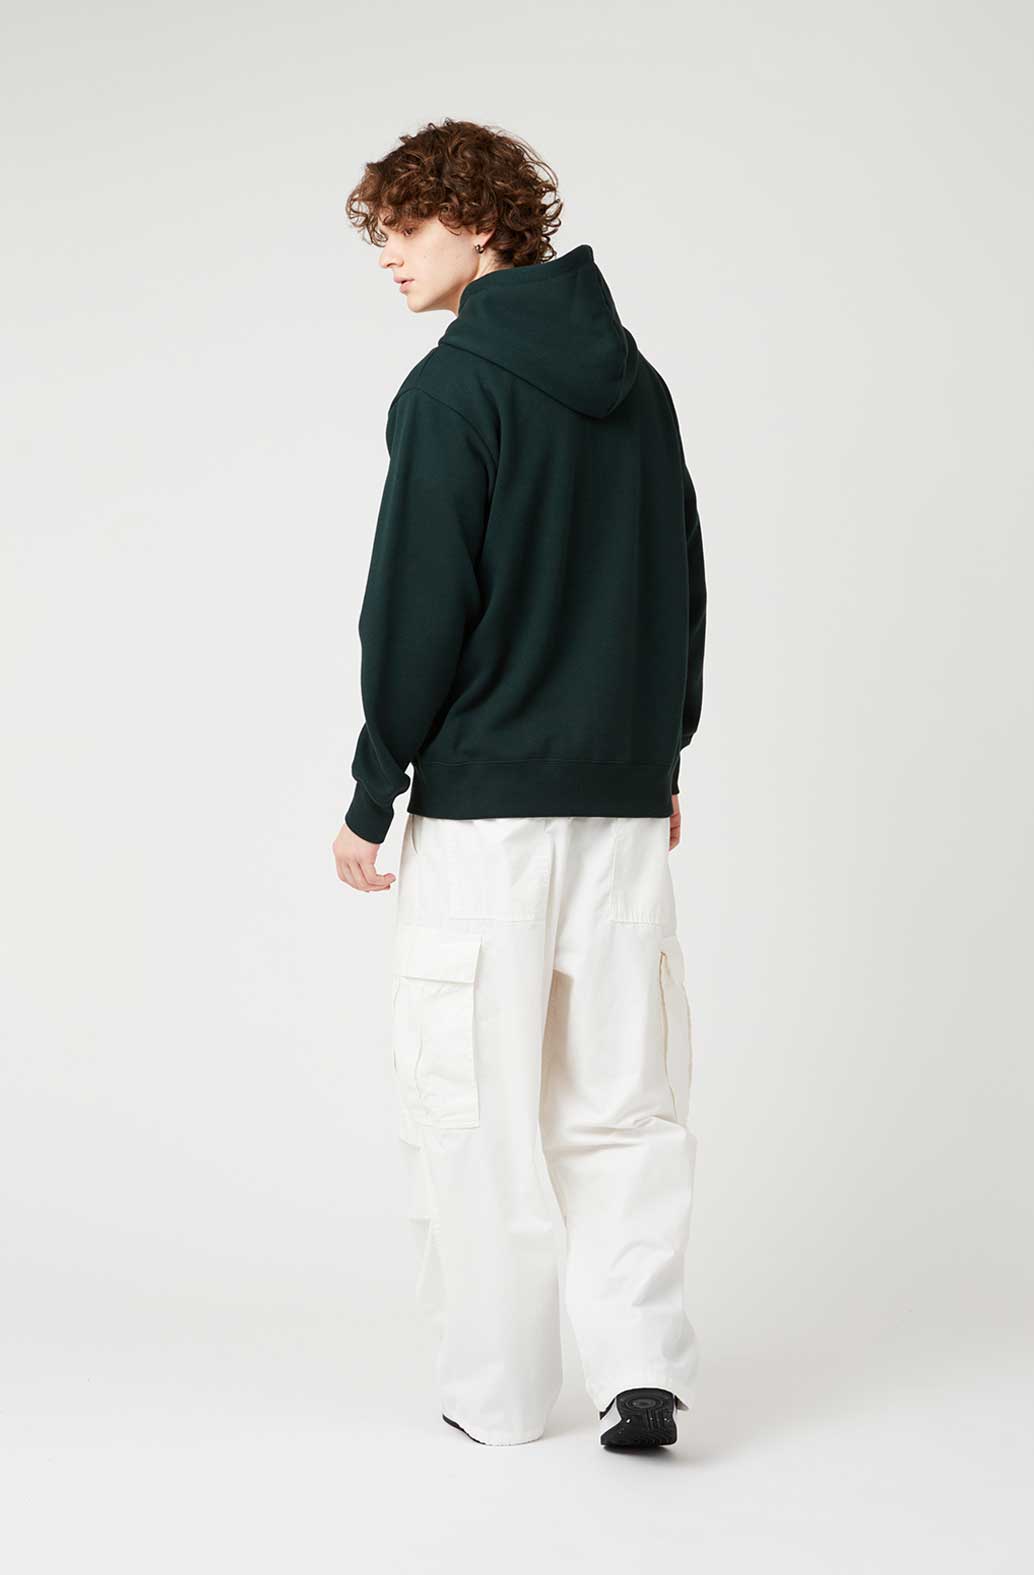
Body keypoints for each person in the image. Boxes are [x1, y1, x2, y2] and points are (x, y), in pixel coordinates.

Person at [331, 119, 707, 1449]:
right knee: (622, 1099)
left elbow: (415, 608)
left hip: (488, 814)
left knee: (474, 1106)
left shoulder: (452, 391)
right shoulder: (639, 385)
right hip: (619, 803)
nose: (388, 253)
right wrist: (661, 751)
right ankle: (638, 1366)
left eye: (407, 226)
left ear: (482, 226)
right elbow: (678, 576)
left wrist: (374, 786)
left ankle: (495, 1399)